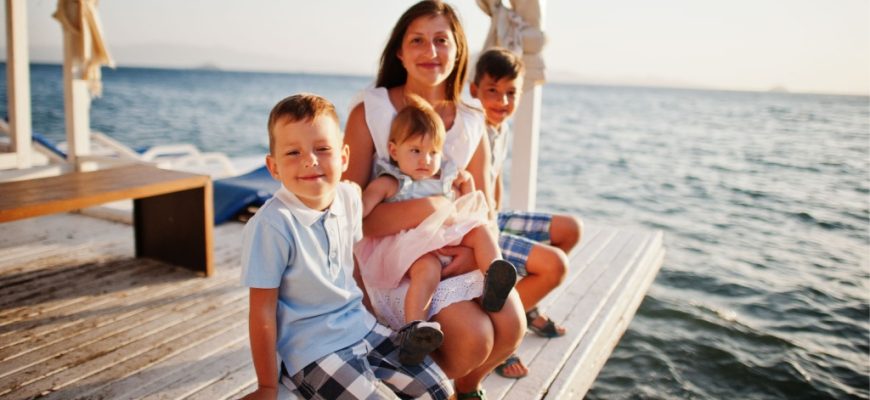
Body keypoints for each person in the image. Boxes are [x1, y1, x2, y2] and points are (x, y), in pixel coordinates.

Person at [342, 1, 525, 398]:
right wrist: (433, 208)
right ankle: (416, 383)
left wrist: (472, 255)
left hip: (457, 250)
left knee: (513, 326)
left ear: (458, 49)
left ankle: (467, 388)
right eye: (418, 41)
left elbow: (483, 206)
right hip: (399, 260)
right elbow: (351, 215)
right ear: (399, 51)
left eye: (441, 40)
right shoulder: (371, 111)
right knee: (474, 338)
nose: (431, 51)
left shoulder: (472, 119)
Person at [241, 93, 452, 400]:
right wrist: (266, 386)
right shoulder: (272, 225)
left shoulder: (350, 197)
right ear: (274, 168)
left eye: (322, 149)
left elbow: (351, 267)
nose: (310, 160)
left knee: (439, 390)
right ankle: (294, 383)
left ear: (343, 157)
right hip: (312, 348)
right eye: (293, 152)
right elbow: (261, 310)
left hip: (360, 325)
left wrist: (374, 318)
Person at [356, 96, 519, 366]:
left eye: (433, 152)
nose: (425, 159)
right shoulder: (393, 181)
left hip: (446, 236)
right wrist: (354, 206)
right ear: (394, 151)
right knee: (427, 271)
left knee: (480, 231)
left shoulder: (444, 178)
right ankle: (415, 328)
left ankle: (495, 277)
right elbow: (363, 206)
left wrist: (465, 184)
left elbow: (469, 199)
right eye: (415, 151)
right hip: (413, 246)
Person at [470, 47, 584, 379]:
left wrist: (499, 216)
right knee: (553, 266)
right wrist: (491, 233)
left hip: (495, 217)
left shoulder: (500, 128)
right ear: (474, 89)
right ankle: (502, 331)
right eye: (493, 90)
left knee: (570, 229)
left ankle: (526, 305)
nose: (502, 101)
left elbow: (495, 179)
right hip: (475, 228)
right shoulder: (470, 128)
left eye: (511, 93)